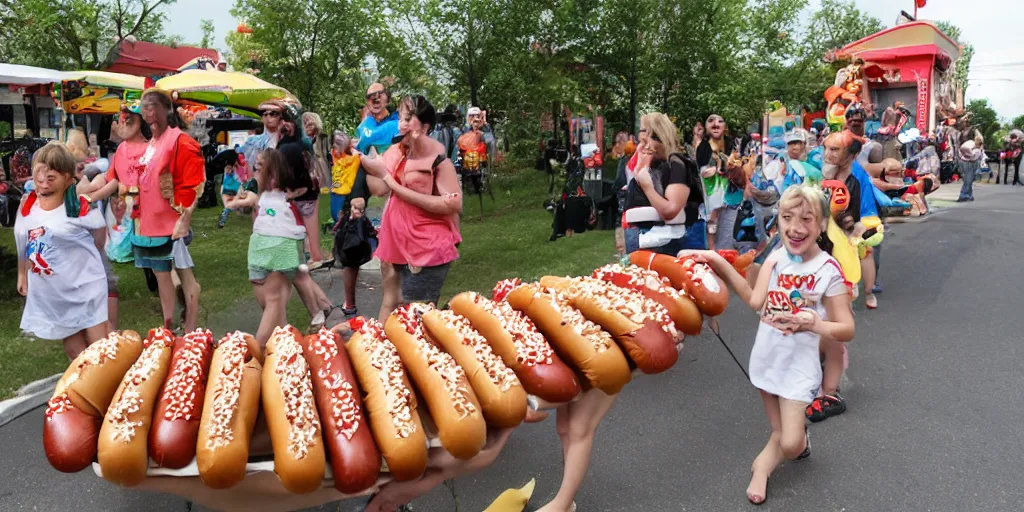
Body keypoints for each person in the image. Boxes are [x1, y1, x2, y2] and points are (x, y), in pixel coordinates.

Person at [679, 184, 854, 505]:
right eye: (787, 218)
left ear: (822, 225)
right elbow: (754, 300)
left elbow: (846, 328)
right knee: (783, 433)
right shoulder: (774, 260)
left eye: (806, 219)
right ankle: (771, 461)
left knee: (790, 443)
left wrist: (816, 323)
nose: (795, 228)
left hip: (800, 367)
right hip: (767, 359)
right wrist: (714, 260)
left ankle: (763, 463)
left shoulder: (828, 270)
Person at [359, 95, 462, 319]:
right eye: (401, 117)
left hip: (426, 248)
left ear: (425, 126)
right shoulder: (396, 151)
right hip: (396, 246)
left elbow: (453, 202)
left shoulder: (437, 157)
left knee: (416, 318)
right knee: (393, 305)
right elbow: (378, 189)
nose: (402, 123)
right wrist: (366, 162)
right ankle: (381, 351)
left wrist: (394, 184)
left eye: (409, 118)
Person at [16, 142, 109, 360]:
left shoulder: (77, 207)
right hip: (56, 291)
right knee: (74, 350)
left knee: (99, 348)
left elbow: (100, 231)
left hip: (86, 285)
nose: (44, 183)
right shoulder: (28, 206)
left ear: (68, 179)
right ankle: (86, 389)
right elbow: (22, 238)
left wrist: (91, 256)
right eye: (39, 177)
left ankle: (110, 388)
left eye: (52, 178)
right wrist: (22, 273)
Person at [230, 149, 306, 347]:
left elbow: (242, 209)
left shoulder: (264, 188)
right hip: (271, 246)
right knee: (273, 305)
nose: (256, 167)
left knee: (273, 307)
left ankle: (269, 349)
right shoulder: (268, 188)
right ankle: (266, 350)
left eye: (260, 165)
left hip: (266, 248)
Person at [621, 112, 706, 255]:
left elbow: (670, 210)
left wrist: (647, 186)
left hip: (672, 243)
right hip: (645, 237)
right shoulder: (655, 165)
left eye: (643, 138)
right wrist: (643, 165)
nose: (640, 145)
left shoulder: (677, 164)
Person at [696, 114, 740, 251]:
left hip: (731, 200)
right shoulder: (703, 148)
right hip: (711, 203)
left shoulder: (731, 146)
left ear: (725, 127)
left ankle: (725, 265)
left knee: (726, 243)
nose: (715, 124)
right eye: (711, 121)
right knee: (712, 242)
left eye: (720, 121)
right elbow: (704, 174)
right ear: (706, 128)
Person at [355, 83, 400, 156]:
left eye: (380, 94)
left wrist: (366, 119)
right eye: (370, 96)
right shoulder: (369, 124)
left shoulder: (395, 122)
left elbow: (366, 138)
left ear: (387, 99)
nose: (375, 99)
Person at [328, 131, 360, 223]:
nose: (335, 150)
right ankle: (340, 228)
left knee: (339, 216)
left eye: (336, 147)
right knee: (334, 214)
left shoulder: (354, 157)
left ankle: (343, 229)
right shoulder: (335, 153)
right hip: (336, 188)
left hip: (344, 190)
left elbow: (349, 165)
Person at [303, 112, 332, 190]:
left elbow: (323, 156)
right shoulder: (304, 141)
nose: (307, 126)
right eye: (305, 123)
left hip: (324, 172)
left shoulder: (323, 137)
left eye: (310, 123)